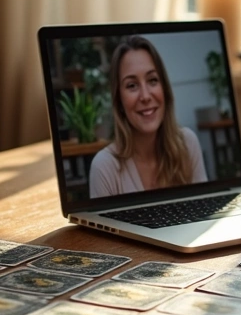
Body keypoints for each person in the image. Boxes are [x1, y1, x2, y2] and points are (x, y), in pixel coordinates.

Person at [88, 36, 208, 198]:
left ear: (164, 89)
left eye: (152, 80)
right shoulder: (104, 167)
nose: (145, 96)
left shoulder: (187, 144)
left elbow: (205, 213)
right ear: (119, 100)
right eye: (132, 85)